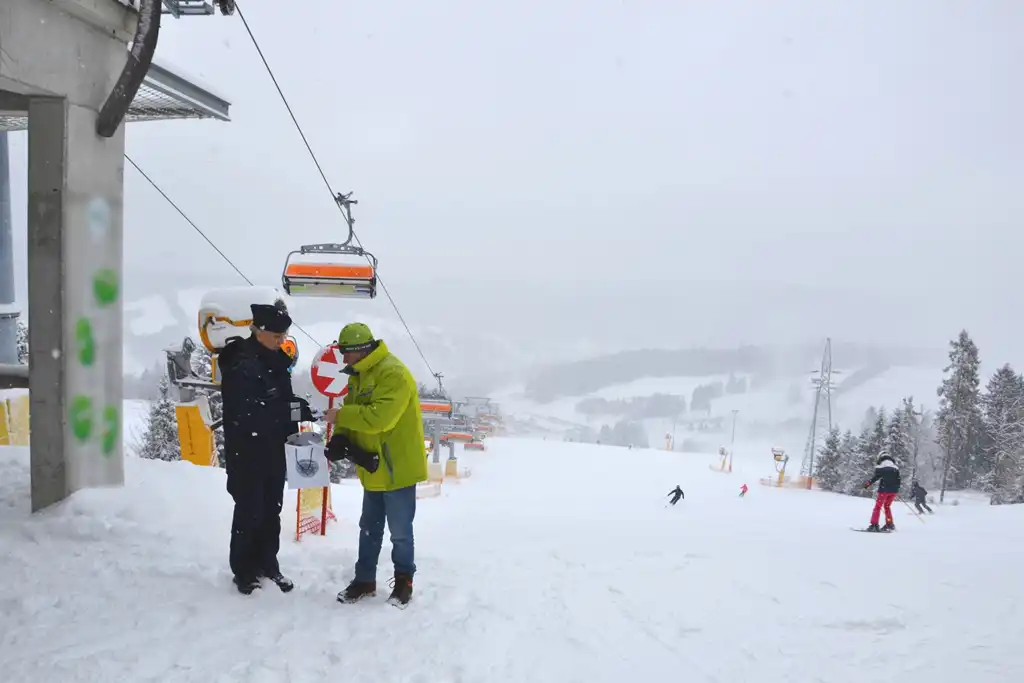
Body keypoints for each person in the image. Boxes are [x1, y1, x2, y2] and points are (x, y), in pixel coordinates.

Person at [324, 322, 427, 608]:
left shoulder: (393, 374)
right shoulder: (358, 376)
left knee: (400, 532)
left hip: (397, 469)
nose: (343, 359)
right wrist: (340, 439)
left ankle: (404, 582)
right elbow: (352, 411)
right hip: (372, 466)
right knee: (369, 528)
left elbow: (380, 418)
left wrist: (341, 418)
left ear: (360, 350)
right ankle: (364, 581)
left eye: (346, 353)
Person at [219, 301, 313, 595]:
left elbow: (280, 401)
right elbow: (250, 411)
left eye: (283, 337)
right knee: (250, 510)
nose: (281, 341)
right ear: (257, 331)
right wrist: (292, 411)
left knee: (272, 510)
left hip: (274, 449)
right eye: (276, 336)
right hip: (247, 451)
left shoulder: (275, 360)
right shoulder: (240, 363)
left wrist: (299, 409)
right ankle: (244, 571)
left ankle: (268, 564)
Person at [864, 454, 901, 532]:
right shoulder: (895, 468)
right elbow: (898, 480)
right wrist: (896, 489)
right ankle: (889, 524)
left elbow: (876, 477)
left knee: (878, 507)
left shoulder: (882, 467)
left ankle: (874, 525)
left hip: (884, 491)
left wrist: (868, 484)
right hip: (893, 492)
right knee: (887, 506)